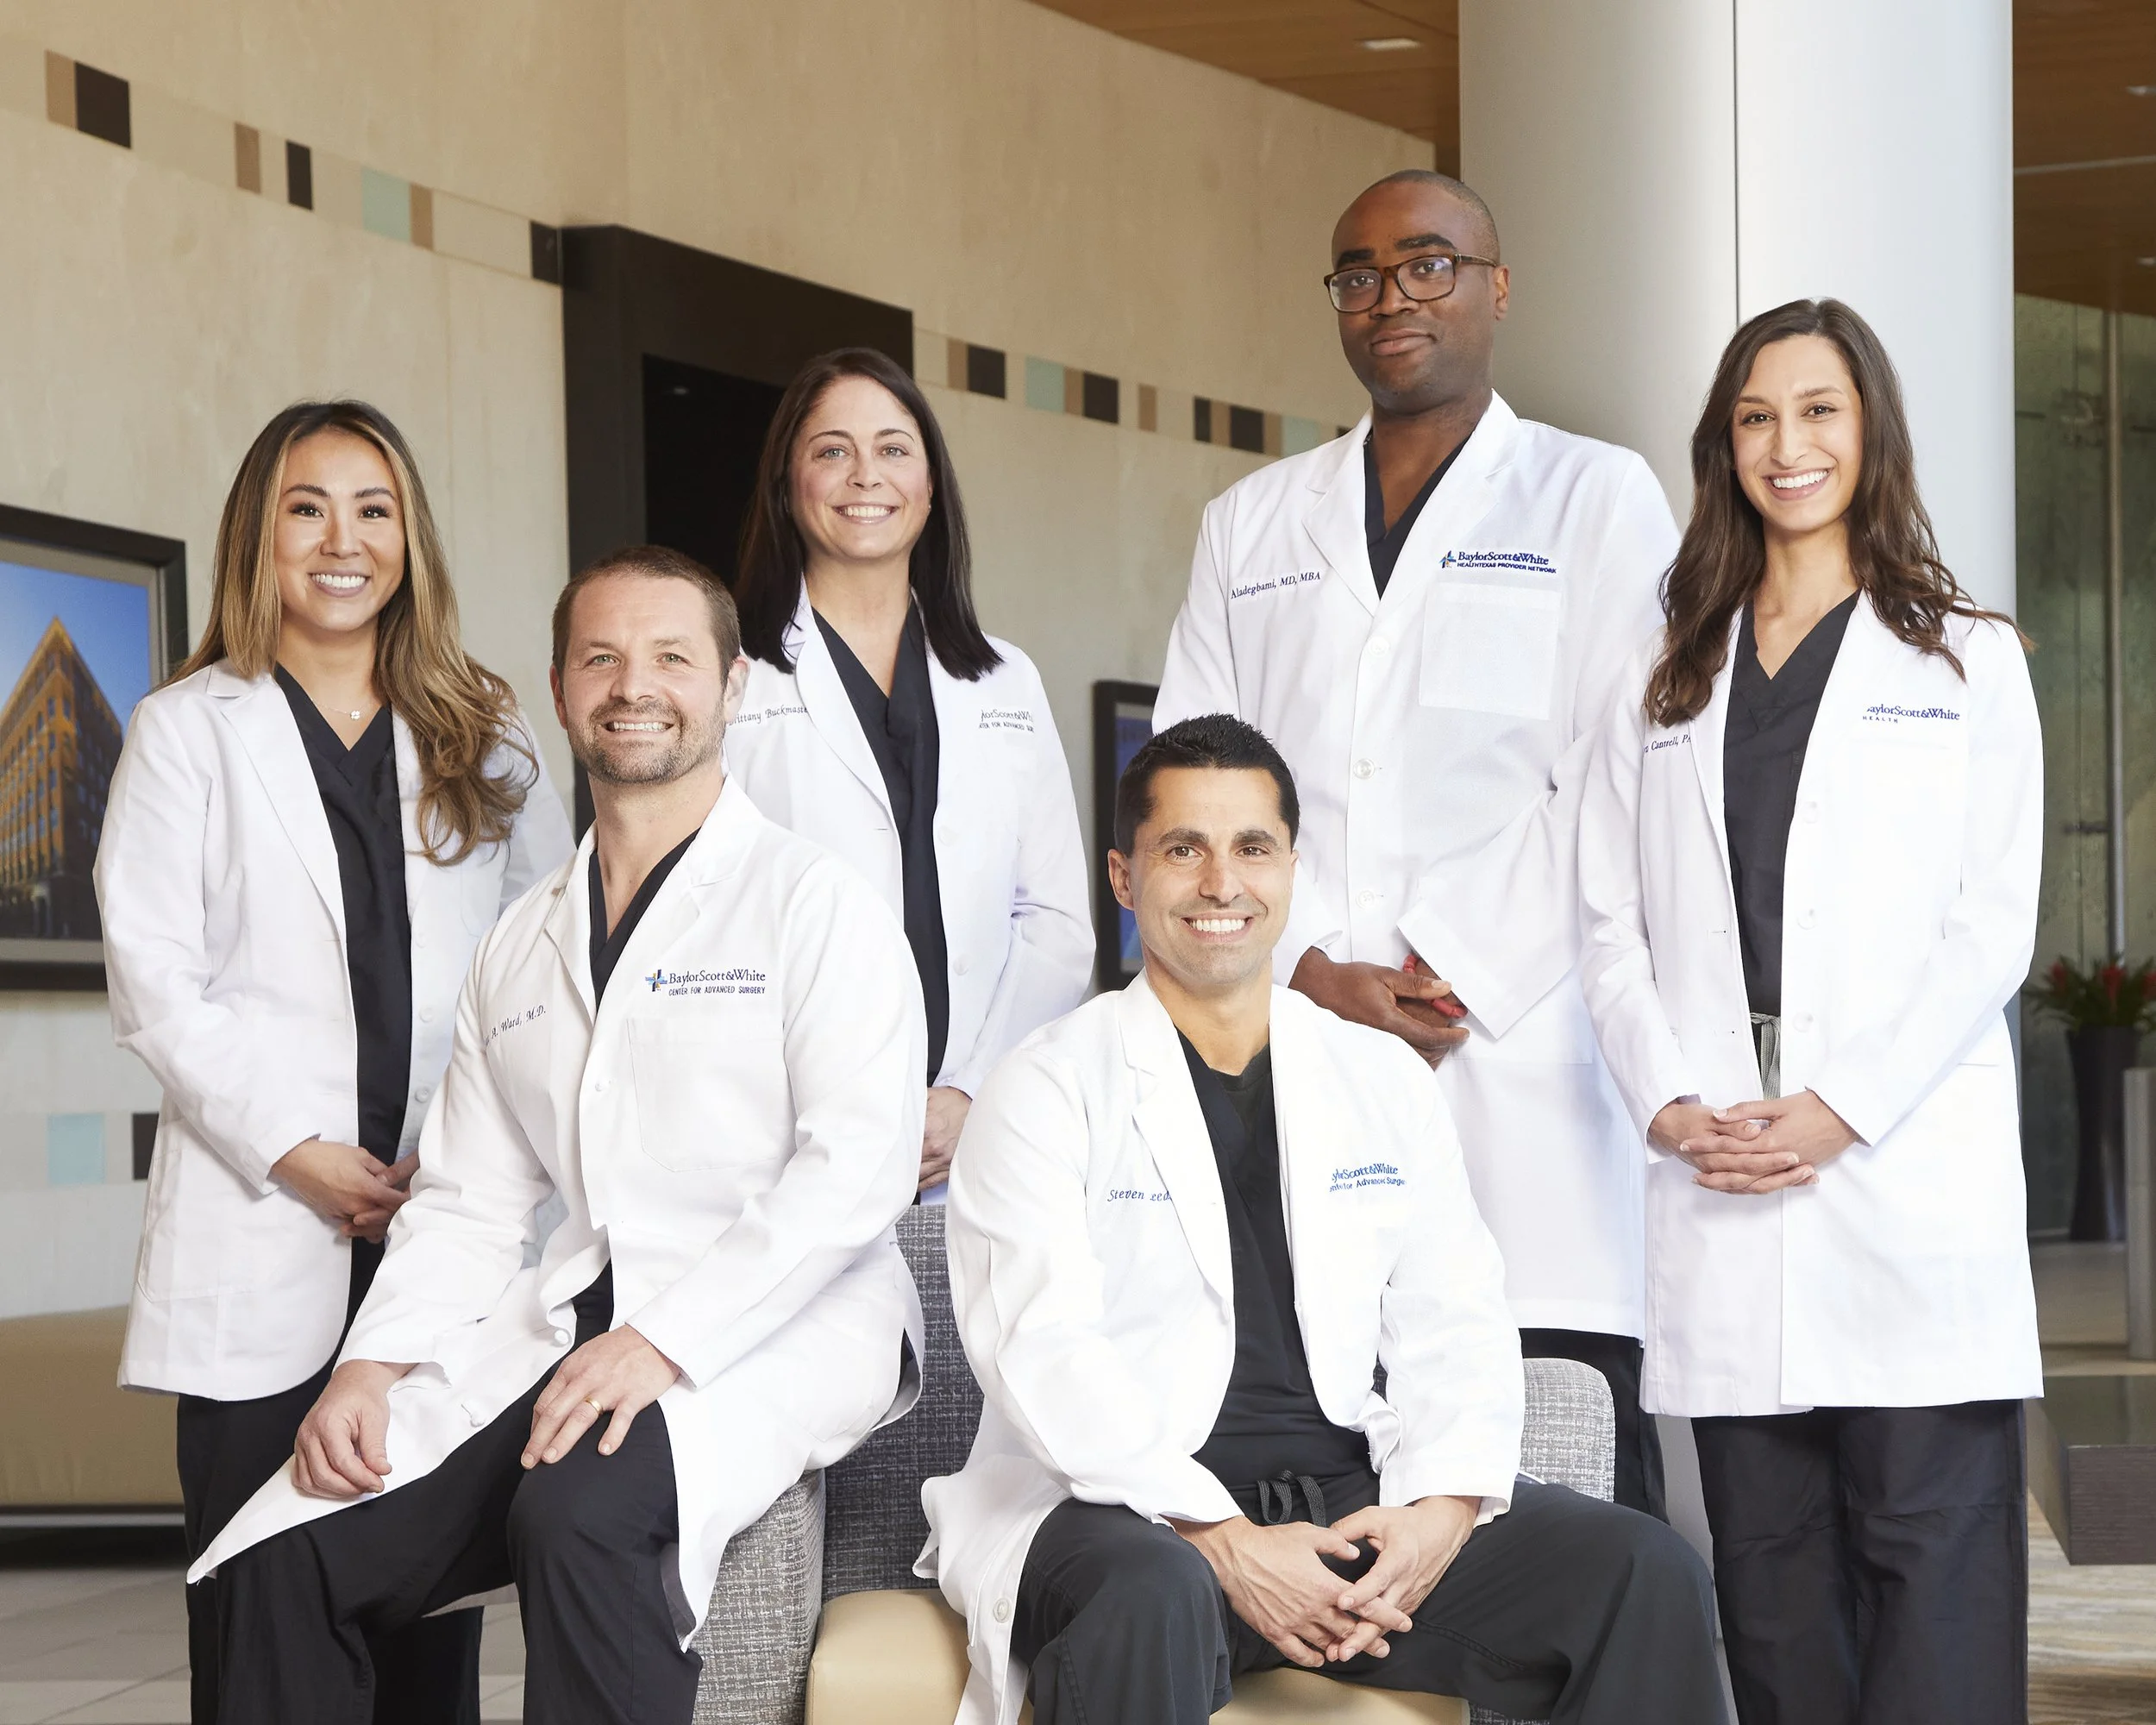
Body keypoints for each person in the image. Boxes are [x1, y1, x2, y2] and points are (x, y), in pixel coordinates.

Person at [185, 546, 928, 1725]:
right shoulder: (521, 942)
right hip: (580, 1317)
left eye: (672, 657)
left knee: (572, 1513)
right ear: (560, 686)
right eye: (603, 658)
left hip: (787, 1318)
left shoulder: (814, 903)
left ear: (733, 686)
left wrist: (665, 1341)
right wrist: (368, 1372)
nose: (636, 685)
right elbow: (471, 1201)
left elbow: (854, 1175)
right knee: (285, 1553)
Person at [924, 713, 1726, 1725]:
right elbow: (1041, 1352)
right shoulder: (1042, 1086)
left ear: (1292, 868)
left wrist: (1438, 1512)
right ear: (1125, 878)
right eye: (1185, 848)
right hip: (1123, 1515)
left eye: (1252, 847)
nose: (1222, 883)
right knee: (1153, 1590)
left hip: (1344, 1498)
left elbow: (1456, 1315)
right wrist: (1223, 1539)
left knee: (1641, 1569)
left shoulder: (1377, 1075)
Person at [1153, 169, 1681, 1516]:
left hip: (1517, 1050)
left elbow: (1616, 774)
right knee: (1339, 1428)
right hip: (1301, 1033)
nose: (1393, 297)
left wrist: (1445, 960)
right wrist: (1317, 962)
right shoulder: (1250, 526)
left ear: (1497, 289)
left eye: (1430, 264)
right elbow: (1195, 784)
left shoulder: (1595, 497)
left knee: (1557, 1462)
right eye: (1361, 273)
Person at [1576, 299, 2041, 1724]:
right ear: (1726, 444)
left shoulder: (1965, 658)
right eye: (1758, 417)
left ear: (1871, 431)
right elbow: (1607, 920)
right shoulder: (1663, 670)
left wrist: (1842, 1111)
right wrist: (1666, 1101)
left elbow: (1990, 930)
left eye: (1820, 411)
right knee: (1772, 1599)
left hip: (1898, 1176)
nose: (1789, 446)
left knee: (1933, 1577)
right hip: (1722, 1169)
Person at [95, 399, 573, 1724]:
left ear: (409, 539)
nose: (343, 541)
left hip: (446, 1224)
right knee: (264, 1612)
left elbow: (536, 972)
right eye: (309, 508)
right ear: (262, 533)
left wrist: (480, 1167)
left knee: (426, 1620)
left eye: (374, 511)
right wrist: (295, 1150)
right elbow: (154, 982)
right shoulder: (189, 729)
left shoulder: (485, 734)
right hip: (266, 1220)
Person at [724, 347, 1091, 1200]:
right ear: (786, 483)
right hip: (787, 1134)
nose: (866, 476)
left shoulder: (1004, 679)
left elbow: (1055, 917)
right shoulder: (731, 676)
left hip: (974, 1138)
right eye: (830, 450)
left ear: (930, 488)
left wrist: (973, 1089)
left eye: (894, 449)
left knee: (978, 1331)